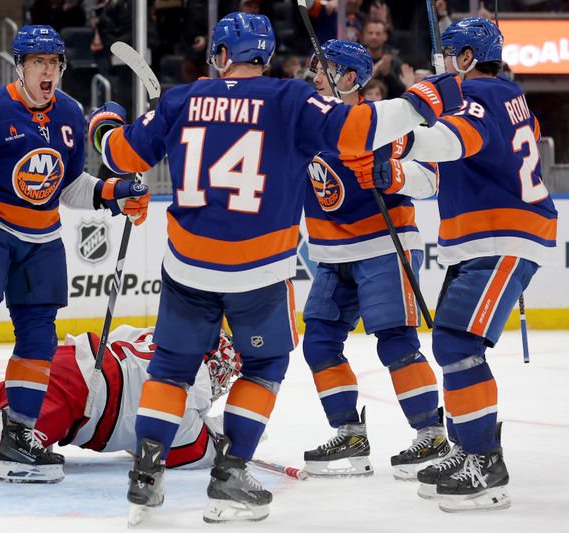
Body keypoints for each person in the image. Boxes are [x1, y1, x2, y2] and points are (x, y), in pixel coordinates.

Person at [87, 11, 462, 525]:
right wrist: (426, 97)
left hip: (189, 263)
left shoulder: (183, 98)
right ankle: (231, 473)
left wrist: (104, 124)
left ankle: (146, 474)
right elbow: (361, 129)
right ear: (265, 57)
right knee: (264, 366)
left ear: (221, 55)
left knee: (170, 369)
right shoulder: (291, 99)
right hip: (261, 268)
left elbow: (121, 155)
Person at [0, 25, 150, 485]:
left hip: (42, 240)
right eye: (38, 62)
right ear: (20, 67)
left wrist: (114, 191)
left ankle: (21, 434)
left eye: (54, 63)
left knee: (39, 339)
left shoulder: (71, 115)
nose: (47, 71)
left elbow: (70, 186)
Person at [366, 17, 557, 512]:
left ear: (467, 57)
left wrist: (396, 136)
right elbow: (437, 176)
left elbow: (452, 143)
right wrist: (393, 171)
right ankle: (467, 446)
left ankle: (484, 462)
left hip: (503, 234)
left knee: (457, 342)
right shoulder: (503, 96)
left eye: (447, 55)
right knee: (454, 343)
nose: (441, 65)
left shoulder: (480, 95)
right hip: (487, 237)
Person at [299, 39, 446, 481]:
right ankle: (349, 431)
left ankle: (431, 433)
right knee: (319, 341)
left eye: (324, 70)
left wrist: (396, 173)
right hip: (331, 253)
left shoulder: (383, 124)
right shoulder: (304, 125)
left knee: (395, 341)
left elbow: (431, 182)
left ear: (350, 79)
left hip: (386, 246)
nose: (315, 77)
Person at [0, 326, 242, 479]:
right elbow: (198, 452)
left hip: (55, 366)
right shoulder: (189, 401)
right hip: (73, 397)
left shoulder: (154, 335)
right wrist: (226, 437)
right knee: (1, 448)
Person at [360, 19, 406, 98]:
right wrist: (371, 75)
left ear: (385, 36)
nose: (374, 37)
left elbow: (402, 91)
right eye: (370, 33)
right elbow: (349, 89)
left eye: (378, 34)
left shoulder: (393, 61)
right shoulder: (356, 59)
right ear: (364, 35)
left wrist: (388, 74)